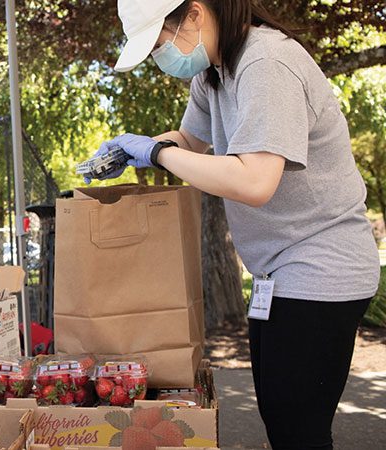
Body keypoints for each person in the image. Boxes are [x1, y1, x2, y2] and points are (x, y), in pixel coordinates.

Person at [92, 1, 380, 448]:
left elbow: (255, 180)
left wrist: (157, 154)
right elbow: (192, 140)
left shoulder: (266, 62)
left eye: (160, 43)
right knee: (281, 419)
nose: (160, 56)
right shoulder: (214, 70)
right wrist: (141, 147)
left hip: (320, 265)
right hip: (276, 272)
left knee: (297, 429)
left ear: (194, 15)